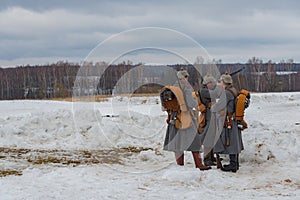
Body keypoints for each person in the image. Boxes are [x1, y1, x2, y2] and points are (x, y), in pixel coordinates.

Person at [163, 69, 211, 171]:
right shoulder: (186, 88)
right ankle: (199, 165)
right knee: (195, 142)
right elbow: (192, 104)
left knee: (178, 144)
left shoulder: (171, 88)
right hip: (185, 117)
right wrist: (194, 100)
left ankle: (180, 165)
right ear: (185, 77)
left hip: (173, 117)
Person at [212, 73, 244, 172]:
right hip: (233, 119)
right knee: (234, 141)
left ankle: (233, 165)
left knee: (230, 142)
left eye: (220, 81)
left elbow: (219, 106)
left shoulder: (227, 93)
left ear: (224, 82)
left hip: (229, 120)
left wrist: (212, 107)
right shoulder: (233, 90)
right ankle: (235, 163)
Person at [198, 74, 219, 166]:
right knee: (208, 138)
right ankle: (207, 159)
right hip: (208, 116)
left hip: (211, 115)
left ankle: (211, 157)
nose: (213, 85)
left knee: (212, 137)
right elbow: (215, 94)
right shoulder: (204, 91)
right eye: (212, 83)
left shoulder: (207, 90)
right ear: (207, 83)